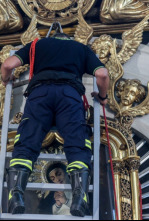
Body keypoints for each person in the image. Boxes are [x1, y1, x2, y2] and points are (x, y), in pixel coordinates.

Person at [1, 31, 109, 217]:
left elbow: (7, 64)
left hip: (39, 95)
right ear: (68, 39)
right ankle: (79, 199)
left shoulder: (37, 45)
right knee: (77, 145)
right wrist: (102, 97)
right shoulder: (81, 49)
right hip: (69, 96)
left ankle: (15, 195)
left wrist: (5, 79)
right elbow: (102, 74)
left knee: (26, 143)